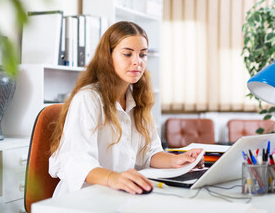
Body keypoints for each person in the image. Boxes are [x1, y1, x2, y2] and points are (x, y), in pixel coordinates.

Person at [49, 21, 203, 197]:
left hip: (119, 194)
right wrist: (112, 178)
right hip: (83, 196)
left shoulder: (139, 99)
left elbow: (149, 153)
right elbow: (76, 160)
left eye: (142, 55)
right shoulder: (88, 98)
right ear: (108, 56)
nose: (137, 62)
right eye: (127, 54)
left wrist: (177, 160)